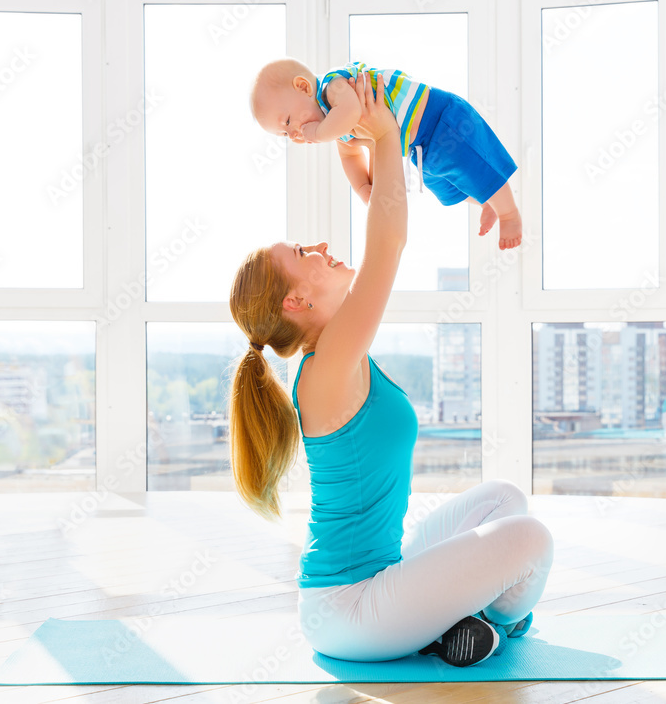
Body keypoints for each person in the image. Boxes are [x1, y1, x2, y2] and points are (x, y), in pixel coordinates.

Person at [229, 71, 552, 667]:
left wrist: (367, 146)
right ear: (294, 304)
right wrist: (383, 133)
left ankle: (455, 621)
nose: (321, 247)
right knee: (531, 540)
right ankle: (491, 621)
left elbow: (382, 214)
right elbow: (388, 243)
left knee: (505, 499)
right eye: (304, 255)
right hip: (347, 612)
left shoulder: (337, 352)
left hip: (384, 577)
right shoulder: (326, 368)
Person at [250, 58, 523, 251]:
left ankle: (509, 214)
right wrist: (363, 188)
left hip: (441, 121)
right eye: (286, 135)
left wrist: (318, 133)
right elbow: (349, 156)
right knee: (447, 186)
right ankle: (487, 202)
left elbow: (351, 113)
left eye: (288, 122)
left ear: (303, 87)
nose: (295, 134)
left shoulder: (332, 88)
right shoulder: (336, 126)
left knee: (473, 167)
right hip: (420, 148)